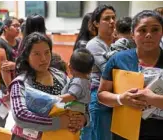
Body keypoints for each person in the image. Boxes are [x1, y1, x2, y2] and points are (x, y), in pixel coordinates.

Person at [98, 10, 163, 140]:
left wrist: (154, 99)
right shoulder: (118, 59)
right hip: (124, 132)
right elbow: (102, 94)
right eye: (142, 30)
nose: (149, 35)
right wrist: (121, 99)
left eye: (155, 30)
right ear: (132, 34)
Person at [10, 32, 86, 140]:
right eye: (37, 54)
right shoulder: (21, 82)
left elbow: (78, 100)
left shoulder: (60, 76)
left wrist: (82, 118)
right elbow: (20, 115)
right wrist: (58, 122)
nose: (44, 59)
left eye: (47, 52)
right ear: (27, 56)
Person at [81, 5, 116, 140]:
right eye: (107, 18)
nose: (112, 21)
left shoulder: (115, 43)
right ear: (96, 23)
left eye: (113, 18)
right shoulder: (94, 44)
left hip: (114, 94)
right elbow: (108, 70)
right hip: (98, 96)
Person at [0, 17, 20, 128]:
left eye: (19, 26)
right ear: (6, 28)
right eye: (15, 26)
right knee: (1, 117)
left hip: (17, 84)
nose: (18, 28)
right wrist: (10, 89)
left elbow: (23, 63)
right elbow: (4, 68)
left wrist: (15, 65)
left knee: (19, 116)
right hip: (3, 86)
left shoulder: (19, 42)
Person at [60, 48, 94, 115]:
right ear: (90, 70)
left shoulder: (78, 82)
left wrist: (53, 99)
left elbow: (71, 96)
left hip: (73, 110)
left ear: (70, 67)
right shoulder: (88, 80)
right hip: (81, 111)